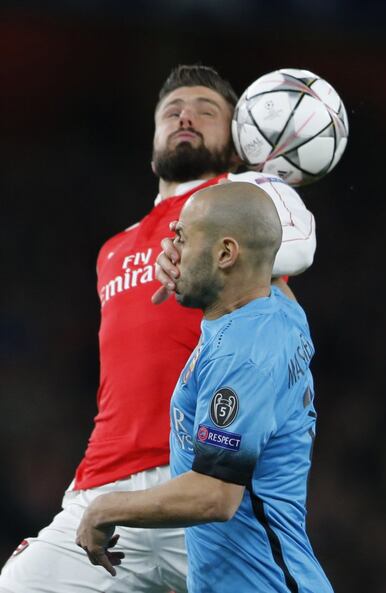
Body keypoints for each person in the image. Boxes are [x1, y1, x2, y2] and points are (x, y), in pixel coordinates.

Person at [0, 65, 316, 593]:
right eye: (171, 112)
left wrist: (214, 245)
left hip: (203, 479)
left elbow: (299, 245)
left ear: (236, 145)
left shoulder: (238, 202)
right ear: (152, 147)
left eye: (205, 110)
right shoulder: (113, 250)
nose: (185, 115)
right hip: (104, 483)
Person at [76, 181, 334, 593]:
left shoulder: (243, 354)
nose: (170, 252)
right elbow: (264, 252)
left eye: (180, 238)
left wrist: (104, 509)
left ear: (226, 254)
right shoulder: (275, 309)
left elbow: (215, 496)